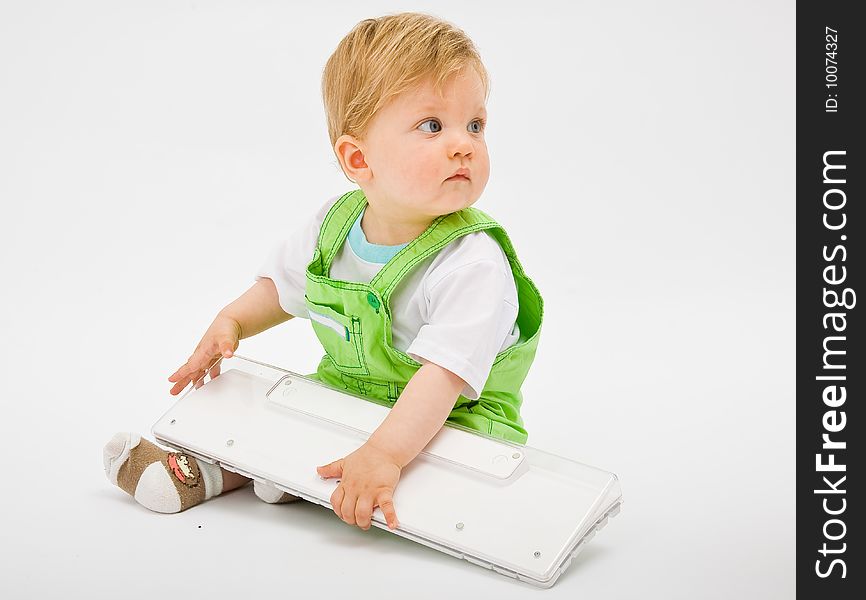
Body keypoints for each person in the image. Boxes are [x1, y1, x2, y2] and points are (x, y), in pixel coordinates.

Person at [103, 12, 543, 532]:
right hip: (353, 396)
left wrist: (384, 454)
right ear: (359, 160)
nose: (464, 143)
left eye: (475, 124)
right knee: (273, 407)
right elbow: (283, 287)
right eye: (432, 126)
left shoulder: (473, 261)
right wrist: (233, 322)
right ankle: (203, 467)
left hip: (456, 418)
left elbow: (443, 378)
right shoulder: (333, 226)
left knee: (440, 476)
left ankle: (292, 474)